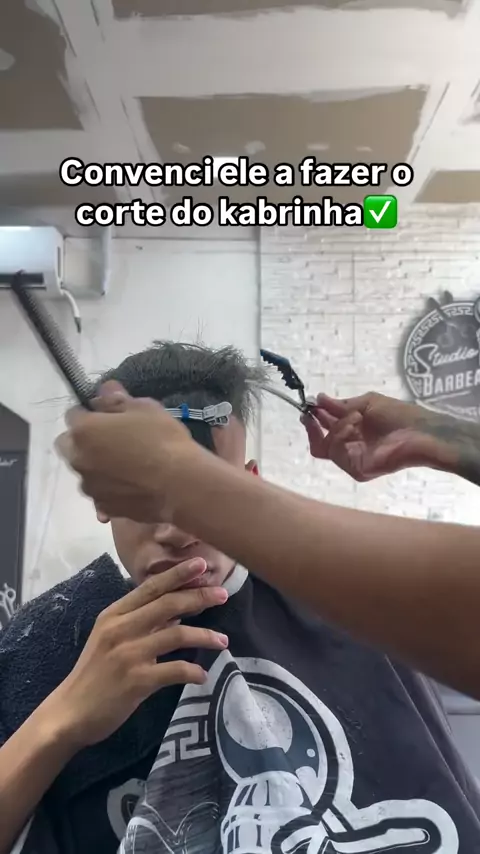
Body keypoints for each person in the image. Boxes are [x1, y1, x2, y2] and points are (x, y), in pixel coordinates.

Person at [2, 344, 480, 854]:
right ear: (104, 496)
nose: (175, 531)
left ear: (247, 483)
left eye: (198, 491)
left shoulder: (359, 609)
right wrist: (60, 721)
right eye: (145, 495)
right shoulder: (50, 643)